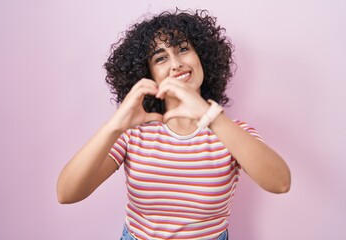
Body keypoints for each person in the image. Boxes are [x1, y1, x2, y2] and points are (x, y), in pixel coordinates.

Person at [57, 8, 291, 240]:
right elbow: (66, 194)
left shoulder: (231, 132)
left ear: (202, 57)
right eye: (160, 58)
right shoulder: (133, 134)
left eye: (183, 49)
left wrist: (208, 114)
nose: (176, 63)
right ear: (148, 74)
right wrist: (113, 127)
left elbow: (280, 183)